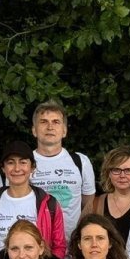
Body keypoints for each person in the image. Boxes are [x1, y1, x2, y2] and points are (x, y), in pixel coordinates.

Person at [0, 140, 66, 259]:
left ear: (32, 167)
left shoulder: (48, 204)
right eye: (10, 163)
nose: (17, 168)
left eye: (23, 162)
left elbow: (59, 246)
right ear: (3, 168)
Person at [30, 101, 95, 241]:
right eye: (43, 122)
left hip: (73, 248)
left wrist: (80, 235)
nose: (50, 127)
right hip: (35, 247)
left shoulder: (80, 162)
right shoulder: (23, 164)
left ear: (64, 130)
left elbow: (89, 203)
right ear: (34, 130)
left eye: (56, 122)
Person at [83, 146, 130, 243]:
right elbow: (80, 237)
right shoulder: (95, 205)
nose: (122, 175)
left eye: (129, 170)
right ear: (108, 173)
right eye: (116, 170)